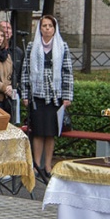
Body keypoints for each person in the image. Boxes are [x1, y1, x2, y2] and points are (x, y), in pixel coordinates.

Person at [20, 15, 73, 181]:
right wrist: (25, 94)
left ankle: (48, 165)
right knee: (38, 132)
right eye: (44, 26)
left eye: (50, 26)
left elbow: (68, 72)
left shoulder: (62, 46)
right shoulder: (32, 46)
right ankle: (36, 165)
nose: (47, 29)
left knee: (50, 133)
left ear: (54, 29)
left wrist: (67, 96)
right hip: (37, 95)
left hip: (55, 96)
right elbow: (25, 71)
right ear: (40, 28)